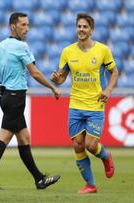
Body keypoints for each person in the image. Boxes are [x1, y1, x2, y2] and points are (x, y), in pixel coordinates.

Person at [0, 12, 61, 190]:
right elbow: (35, 72)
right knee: (4, 137)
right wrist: (53, 87)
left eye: (27, 24)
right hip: (16, 98)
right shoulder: (21, 46)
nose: (27, 28)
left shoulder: (0, 46)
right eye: (23, 25)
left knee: (24, 137)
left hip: (6, 97)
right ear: (13, 26)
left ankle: (39, 179)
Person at [50, 13, 117, 194]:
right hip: (75, 105)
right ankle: (90, 185)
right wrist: (57, 78)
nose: (81, 29)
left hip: (95, 105)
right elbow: (62, 78)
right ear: (76, 28)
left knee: (90, 145)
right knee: (78, 145)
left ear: (91, 30)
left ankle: (106, 156)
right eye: (79, 26)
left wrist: (108, 90)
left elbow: (115, 72)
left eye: (85, 27)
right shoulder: (67, 51)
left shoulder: (103, 50)